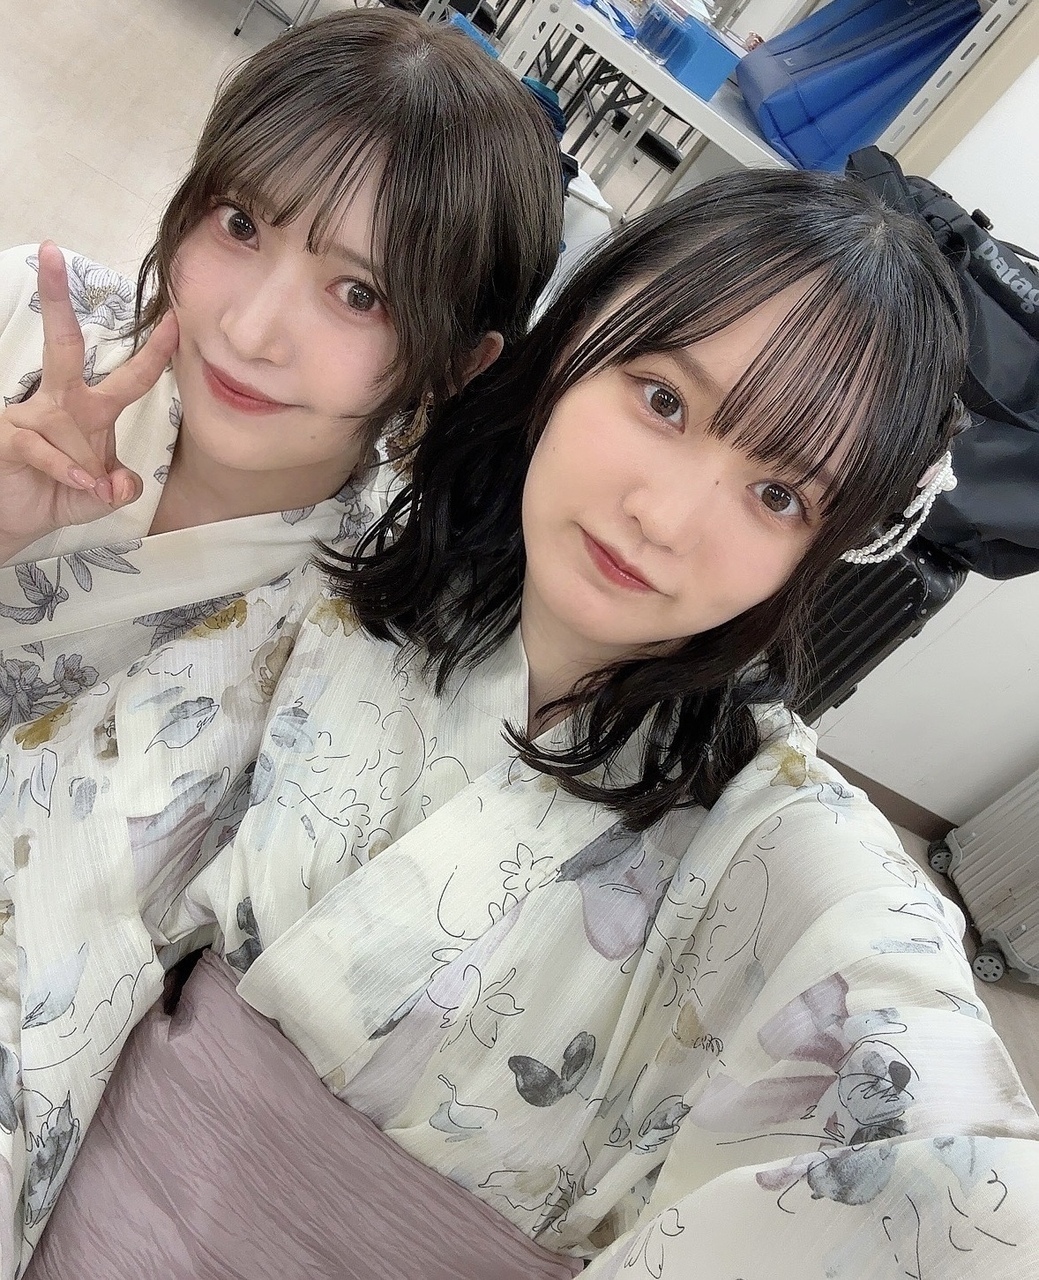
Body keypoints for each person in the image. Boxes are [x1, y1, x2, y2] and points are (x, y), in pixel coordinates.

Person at [5, 170, 1039, 1276]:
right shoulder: (346, 609)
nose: (662, 517)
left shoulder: (785, 845)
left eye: (778, 495)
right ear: (575, 345)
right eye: (663, 401)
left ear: (819, 551)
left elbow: (953, 1173)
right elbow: (55, 876)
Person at [0, 7, 563, 735]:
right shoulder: (22, 318)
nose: (249, 332)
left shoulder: (357, 637)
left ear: (457, 366)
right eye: (240, 224)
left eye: (359, 295)